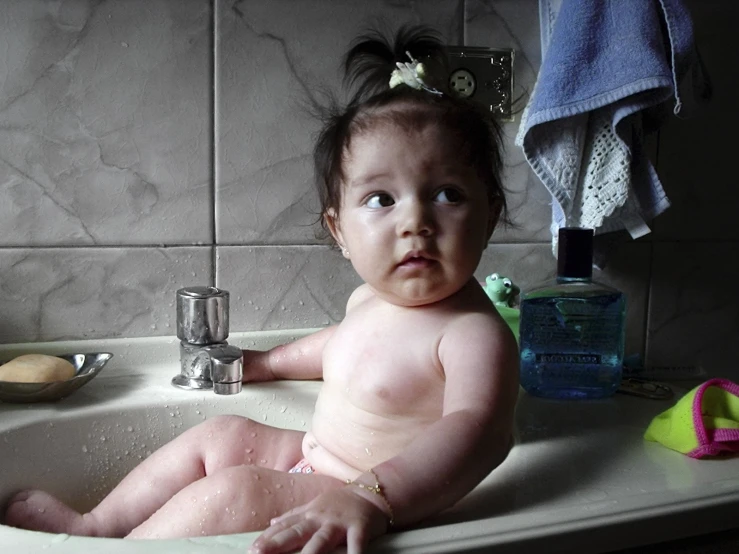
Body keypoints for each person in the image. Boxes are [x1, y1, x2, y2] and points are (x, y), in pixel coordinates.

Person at [4, 25, 519, 554]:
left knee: (239, 489)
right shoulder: (371, 300)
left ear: (490, 216)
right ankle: (98, 527)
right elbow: (336, 344)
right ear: (338, 230)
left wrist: (374, 497)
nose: (415, 220)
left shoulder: (473, 335)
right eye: (382, 199)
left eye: (448, 194)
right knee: (222, 433)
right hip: (318, 462)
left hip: (376, 499)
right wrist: (267, 364)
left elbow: (479, 431)